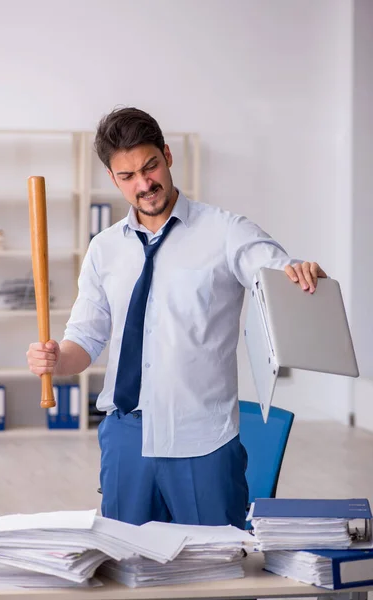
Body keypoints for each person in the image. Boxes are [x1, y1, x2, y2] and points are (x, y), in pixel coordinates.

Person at [27, 107, 327, 529]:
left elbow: (275, 272)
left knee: (217, 577)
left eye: (150, 167)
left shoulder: (226, 232)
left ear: (167, 155)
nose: (144, 184)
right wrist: (56, 359)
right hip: (125, 438)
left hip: (202, 439)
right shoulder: (104, 249)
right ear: (113, 179)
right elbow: (85, 341)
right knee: (130, 575)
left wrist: (300, 273)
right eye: (127, 176)